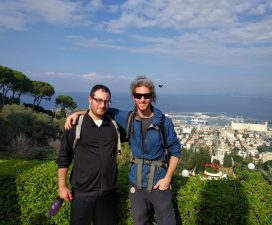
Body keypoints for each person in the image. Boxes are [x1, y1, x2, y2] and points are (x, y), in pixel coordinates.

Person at [65, 76, 181, 225]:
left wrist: (167, 179)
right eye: (138, 95)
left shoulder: (164, 122)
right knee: (139, 222)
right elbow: (100, 109)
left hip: (158, 180)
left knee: (167, 222)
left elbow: (175, 151)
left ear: (152, 97)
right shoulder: (128, 118)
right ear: (134, 97)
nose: (142, 99)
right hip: (136, 183)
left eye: (147, 95)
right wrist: (78, 113)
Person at [57, 84, 122, 225]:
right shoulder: (75, 126)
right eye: (98, 100)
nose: (102, 104)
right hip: (82, 194)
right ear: (90, 99)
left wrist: (79, 112)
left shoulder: (114, 126)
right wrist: (62, 187)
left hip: (108, 194)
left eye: (106, 101)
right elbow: (64, 157)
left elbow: (138, 116)